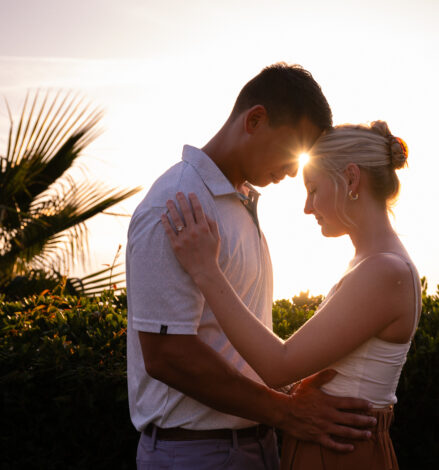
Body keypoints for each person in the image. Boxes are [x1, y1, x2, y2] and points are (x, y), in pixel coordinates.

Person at [126, 63, 377, 470]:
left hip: (256, 444)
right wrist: (286, 412)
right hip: (197, 454)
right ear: (255, 120)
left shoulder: (239, 202)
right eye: (292, 149)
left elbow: (228, 337)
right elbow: (167, 355)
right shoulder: (177, 202)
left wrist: (289, 395)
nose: (295, 170)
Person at [161, 121, 420, 470]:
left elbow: (277, 366)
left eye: (313, 189)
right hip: (331, 446)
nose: (307, 207)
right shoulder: (373, 264)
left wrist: (206, 270)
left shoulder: (384, 272)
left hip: (340, 455)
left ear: (352, 179)